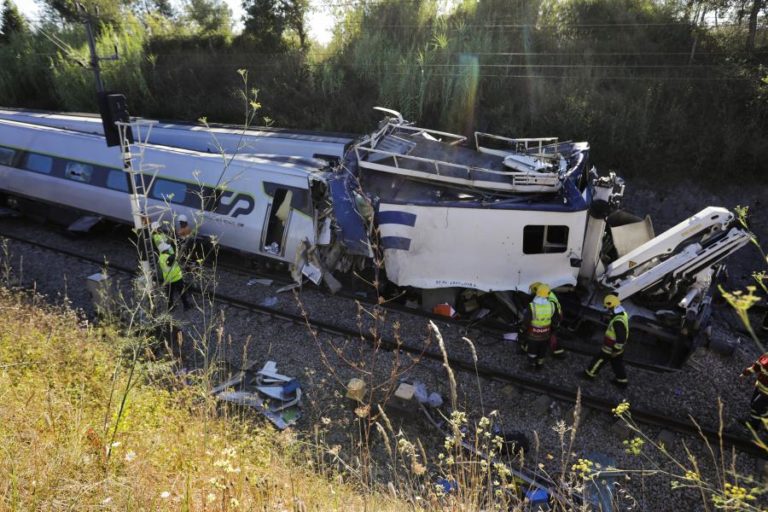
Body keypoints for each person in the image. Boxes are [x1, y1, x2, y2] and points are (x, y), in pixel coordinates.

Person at [582, 294, 629, 388]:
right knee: (617, 364)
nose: (608, 310)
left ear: (612, 306)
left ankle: (589, 374)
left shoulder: (617, 322)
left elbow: (621, 337)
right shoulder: (622, 313)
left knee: (599, 360)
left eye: (608, 308)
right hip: (618, 348)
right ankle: (622, 381)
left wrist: (615, 350)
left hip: (611, 347)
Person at [519, 284, 555, 370]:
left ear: (537, 293)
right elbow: (554, 320)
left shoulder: (532, 306)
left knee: (532, 350)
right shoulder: (552, 305)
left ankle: (531, 365)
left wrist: (521, 330)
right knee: (542, 350)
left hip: (533, 335)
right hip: (545, 334)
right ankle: (540, 365)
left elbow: (526, 321)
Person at [530, 282, 565, 358]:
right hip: (557, 316)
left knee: (551, 335)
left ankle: (558, 353)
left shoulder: (549, 300)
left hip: (555, 318)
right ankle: (557, 351)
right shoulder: (548, 294)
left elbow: (550, 311)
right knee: (551, 335)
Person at [158, 242, 190, 311]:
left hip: (168, 279)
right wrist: (181, 249)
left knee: (169, 294)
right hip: (176, 277)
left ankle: (170, 307)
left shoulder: (161, 256)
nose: (169, 249)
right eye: (167, 248)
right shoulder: (169, 257)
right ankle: (186, 306)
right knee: (181, 292)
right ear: (165, 250)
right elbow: (174, 259)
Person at [740, 353, 768, 430]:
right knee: (754, 404)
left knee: (757, 405)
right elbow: (755, 367)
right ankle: (754, 424)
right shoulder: (765, 357)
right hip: (759, 386)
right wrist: (745, 373)